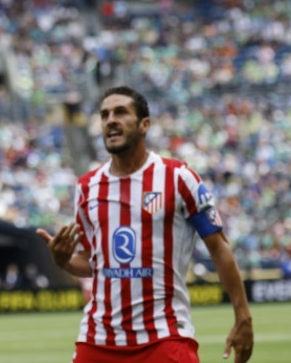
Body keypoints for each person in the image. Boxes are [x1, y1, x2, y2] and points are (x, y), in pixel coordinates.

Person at [37, 86, 254, 363]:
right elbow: (94, 262)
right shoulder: (87, 187)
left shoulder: (179, 179)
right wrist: (63, 260)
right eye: (104, 115)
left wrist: (242, 315)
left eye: (120, 112)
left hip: (164, 338)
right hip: (98, 340)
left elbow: (219, 247)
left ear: (144, 125)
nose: (110, 120)